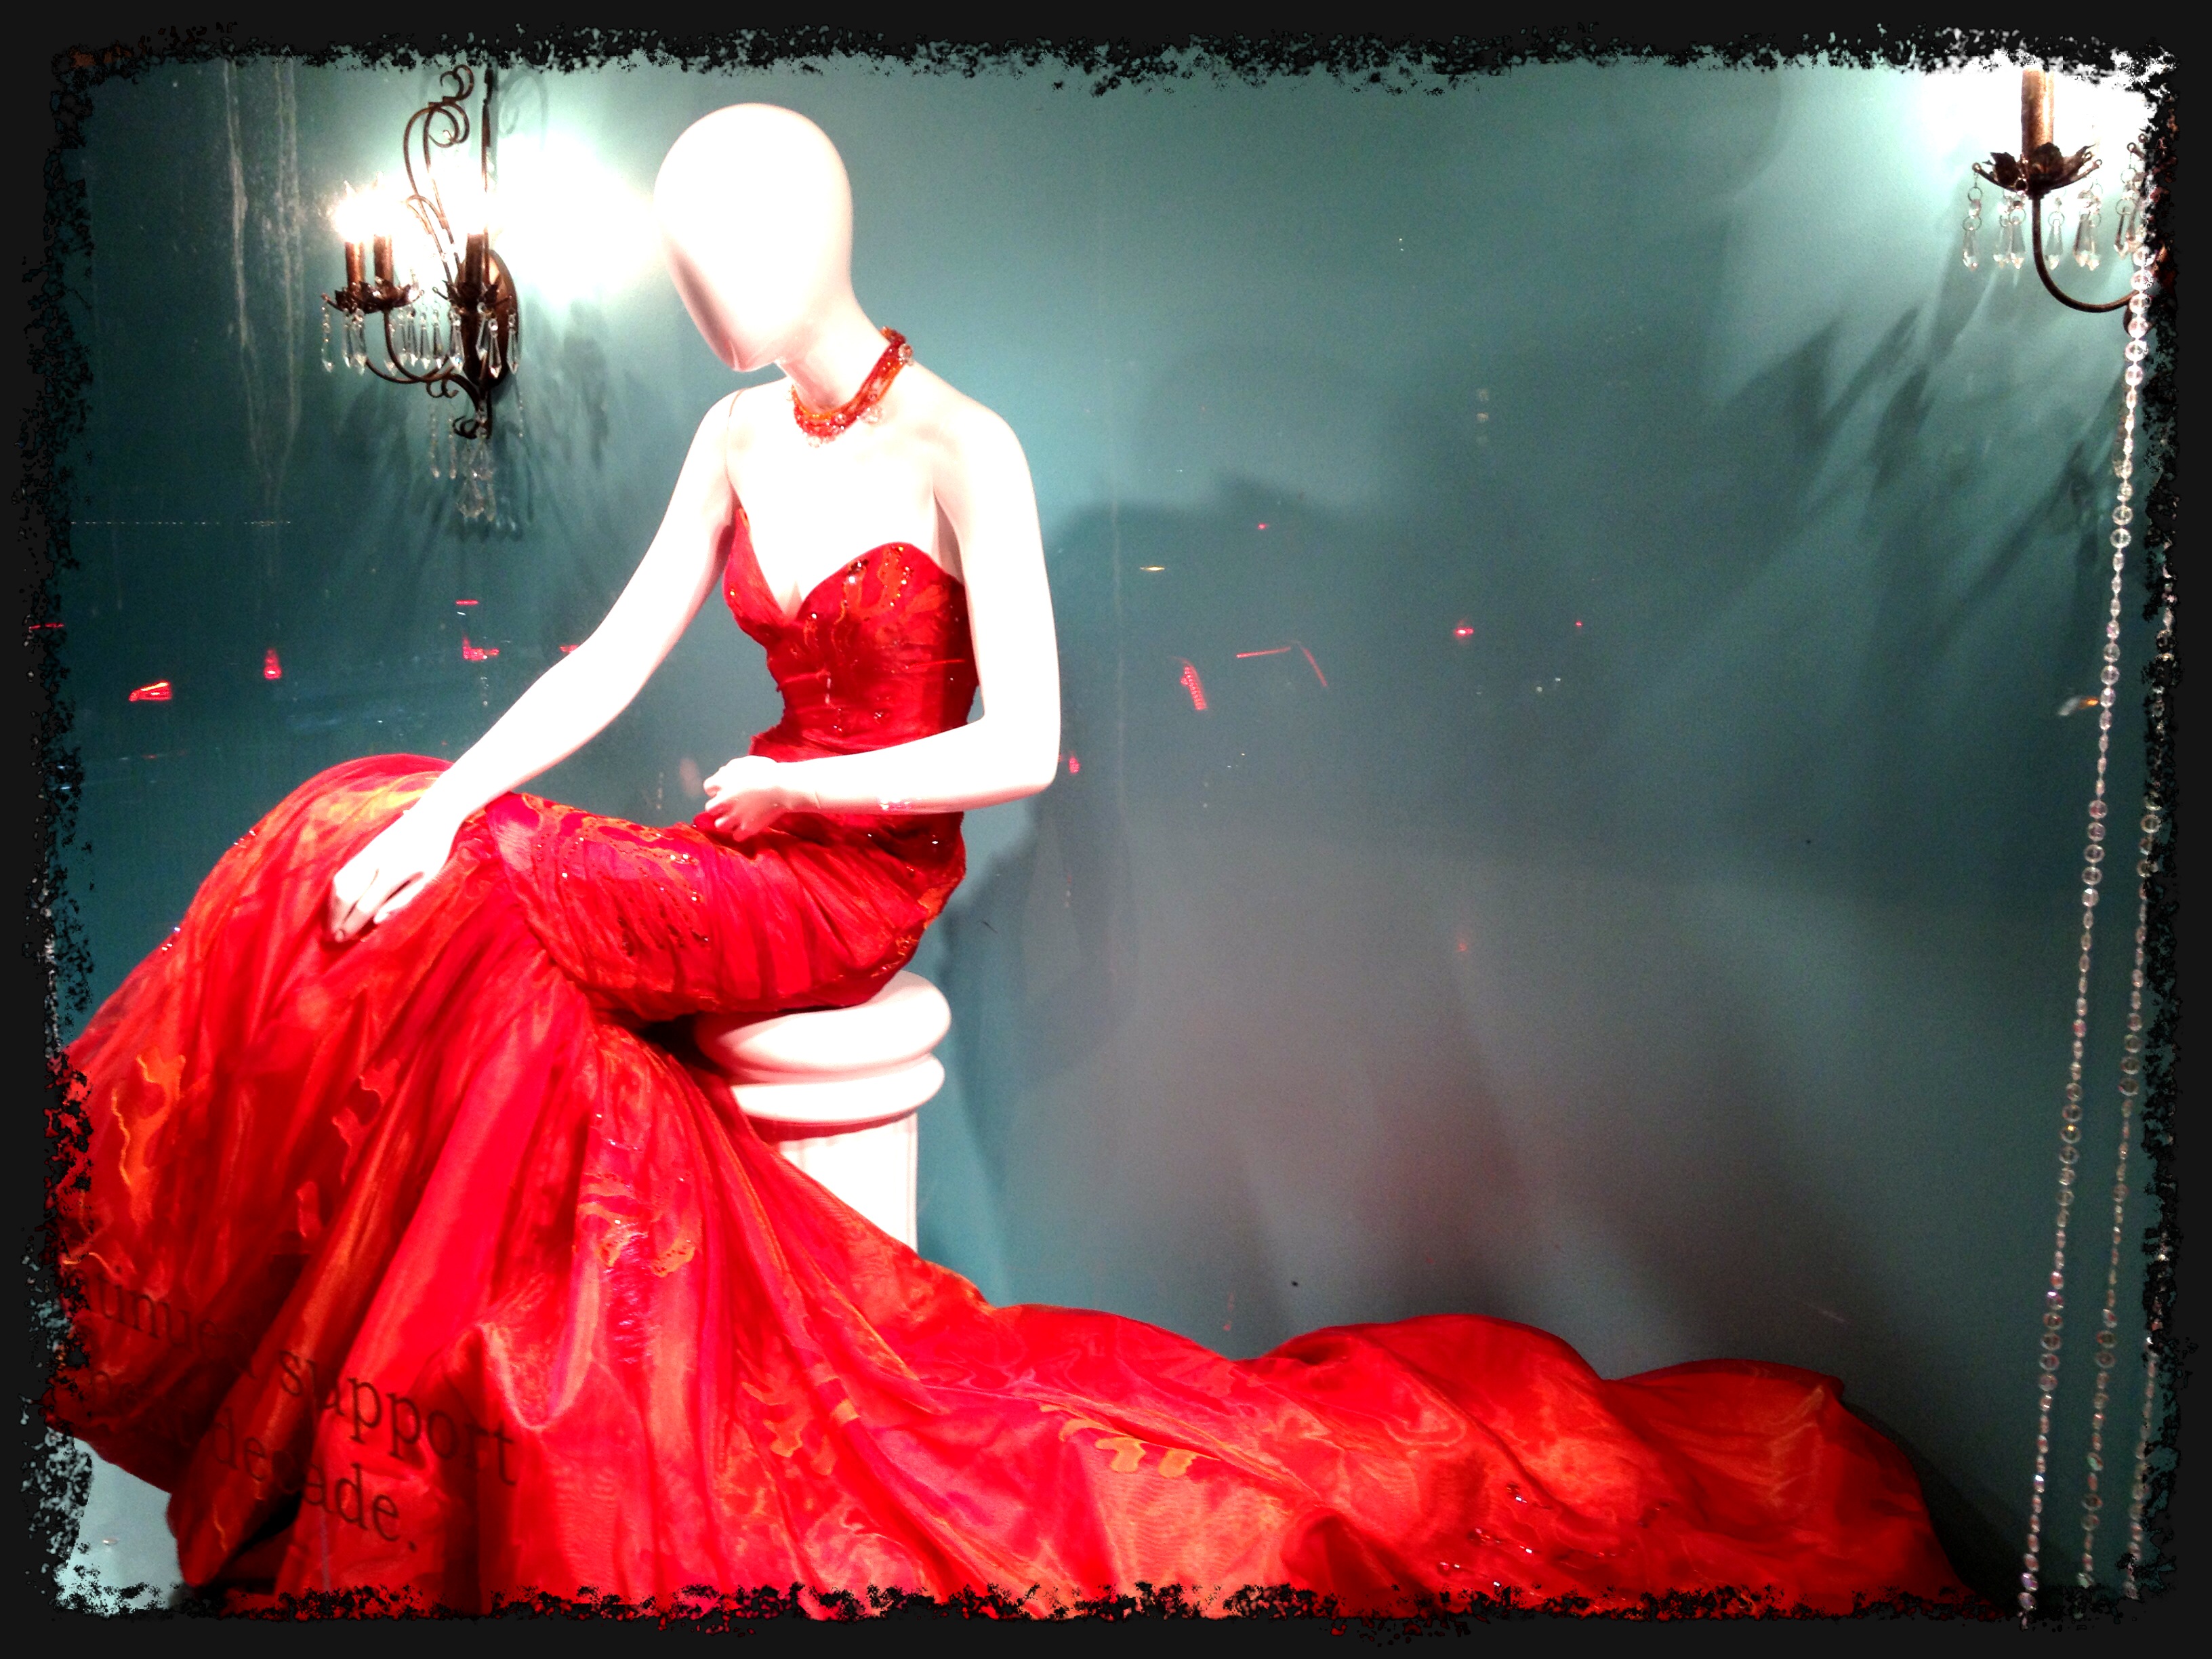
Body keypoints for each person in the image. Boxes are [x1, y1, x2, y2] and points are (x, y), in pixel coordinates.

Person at [48, 104, 1964, 1615]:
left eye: (716, 256)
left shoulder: (965, 444)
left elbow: (1023, 749)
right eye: (683, 260)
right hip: (748, 837)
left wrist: (808, 801)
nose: (699, 296)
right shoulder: (735, 436)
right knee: (395, 828)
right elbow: (610, 659)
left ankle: (248, 1334)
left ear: (806, 240)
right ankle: (371, 1382)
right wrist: (453, 802)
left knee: (441, 870)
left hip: (849, 881)